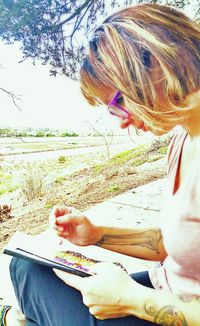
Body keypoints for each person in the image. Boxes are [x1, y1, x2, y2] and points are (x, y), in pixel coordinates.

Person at [4, 3, 200, 325]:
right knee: (27, 265)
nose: (122, 121)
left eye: (119, 101)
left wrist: (133, 300)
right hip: (164, 286)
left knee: (27, 282)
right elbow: (170, 243)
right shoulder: (181, 140)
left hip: (169, 311)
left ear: (162, 62)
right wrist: (96, 235)